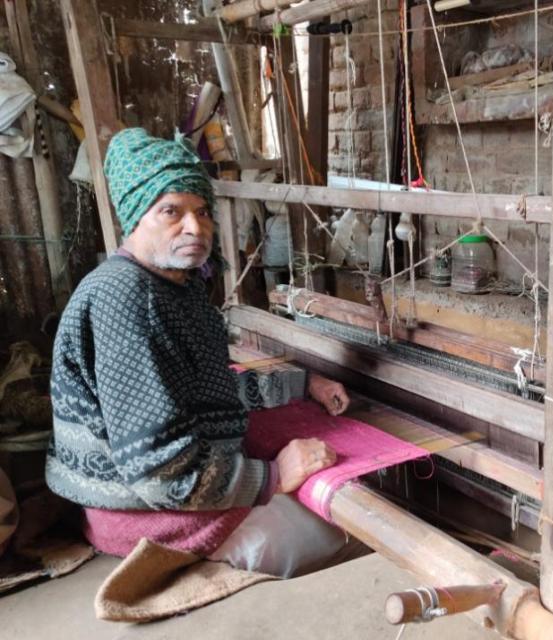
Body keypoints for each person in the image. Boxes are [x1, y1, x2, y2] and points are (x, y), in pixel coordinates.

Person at [47, 128, 351, 577]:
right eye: (171, 211)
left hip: (155, 497)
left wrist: (305, 384)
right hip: (144, 514)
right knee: (329, 540)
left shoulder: (174, 286)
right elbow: (162, 474)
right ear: (135, 217)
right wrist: (274, 475)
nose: (195, 227)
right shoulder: (126, 299)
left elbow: (205, 387)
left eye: (202, 211)